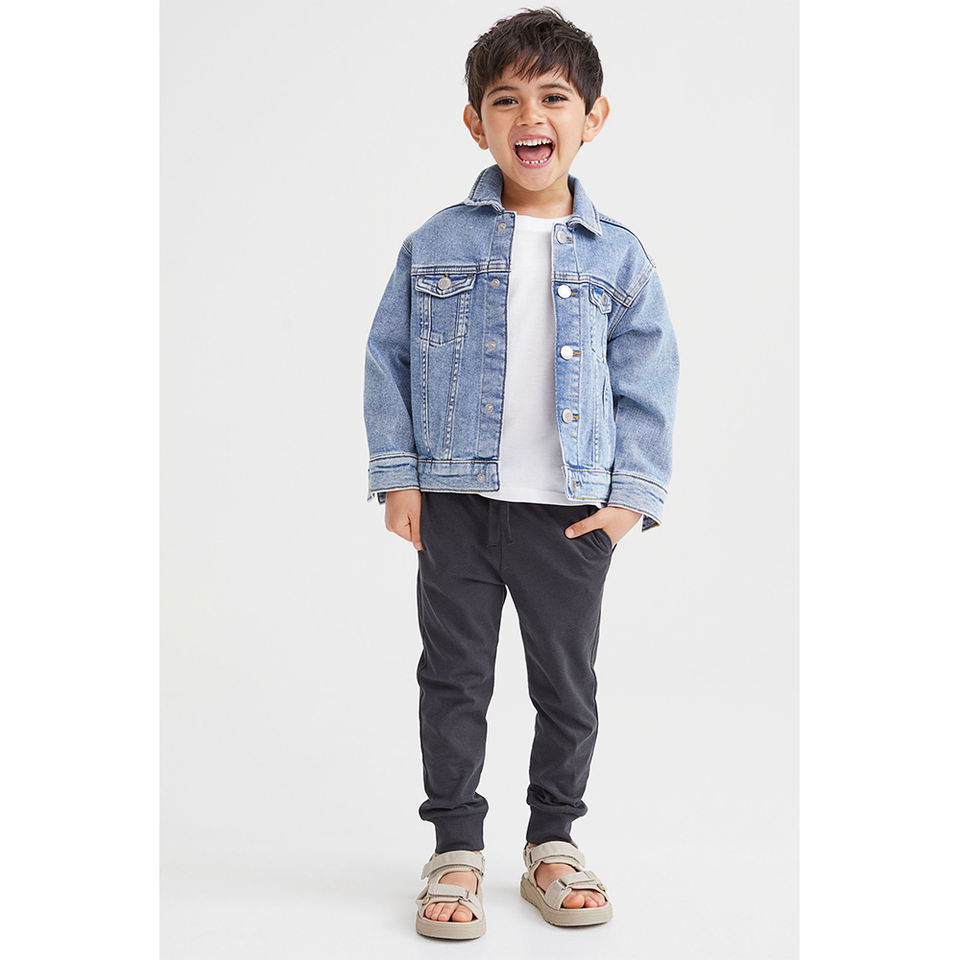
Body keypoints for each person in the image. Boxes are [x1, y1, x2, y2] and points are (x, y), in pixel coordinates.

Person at [363, 7, 679, 939]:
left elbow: (650, 379)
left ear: (593, 117)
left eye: (553, 97)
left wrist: (629, 501)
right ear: (476, 123)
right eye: (505, 100)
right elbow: (387, 359)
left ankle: (553, 844)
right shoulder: (435, 242)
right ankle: (455, 850)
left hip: (569, 515)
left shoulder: (619, 255)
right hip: (456, 505)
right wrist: (401, 477)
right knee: (453, 679)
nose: (530, 116)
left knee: (566, 686)